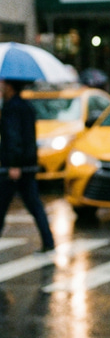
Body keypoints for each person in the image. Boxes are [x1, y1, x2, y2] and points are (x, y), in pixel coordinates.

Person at [0, 79, 55, 252]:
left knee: (3, 205)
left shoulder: (12, 108)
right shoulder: (25, 106)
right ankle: (48, 241)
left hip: (15, 167)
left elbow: (13, 137)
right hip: (27, 165)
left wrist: (13, 165)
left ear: (9, 86)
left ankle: (49, 241)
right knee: (33, 204)